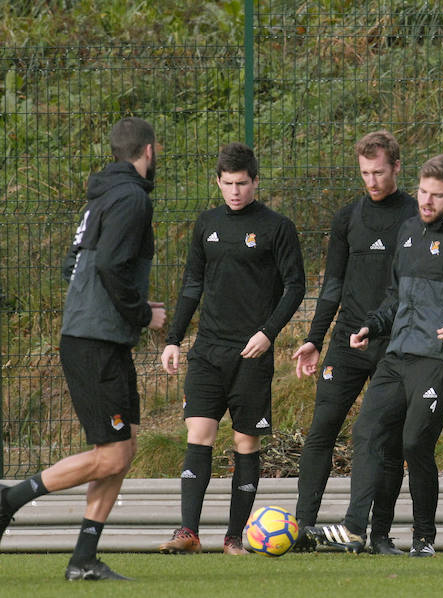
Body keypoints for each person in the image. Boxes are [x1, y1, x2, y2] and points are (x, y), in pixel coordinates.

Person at [308, 154, 443, 556]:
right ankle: (357, 530)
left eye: (437, 196)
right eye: (422, 192)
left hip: (439, 359)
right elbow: (394, 296)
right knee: (368, 433)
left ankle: (423, 538)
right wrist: (373, 325)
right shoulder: (408, 232)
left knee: (415, 443)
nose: (426, 201)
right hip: (397, 353)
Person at [0, 117, 166, 580]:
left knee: (124, 448)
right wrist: (138, 313)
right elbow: (112, 266)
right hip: (95, 343)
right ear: (149, 152)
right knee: (111, 455)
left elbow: (72, 266)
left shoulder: (103, 197)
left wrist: (111, 309)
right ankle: (9, 499)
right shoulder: (131, 198)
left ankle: (83, 559)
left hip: (101, 337)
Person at [158, 142, 305, 555]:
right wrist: (173, 338)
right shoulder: (206, 224)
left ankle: (234, 538)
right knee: (199, 433)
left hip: (251, 354)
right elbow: (191, 284)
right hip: (207, 349)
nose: (235, 191)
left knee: (245, 443)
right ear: (218, 182)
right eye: (228, 184)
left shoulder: (278, 227)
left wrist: (268, 333)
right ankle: (188, 532)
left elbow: (296, 287)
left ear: (255, 181)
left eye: (242, 183)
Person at [291, 130, 417, 555]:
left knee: (386, 440)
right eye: (365, 173)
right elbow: (332, 286)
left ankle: (378, 535)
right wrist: (314, 339)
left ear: (397, 167)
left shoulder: (415, 217)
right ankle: (303, 529)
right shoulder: (348, 218)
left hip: (393, 344)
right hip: (346, 341)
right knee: (321, 430)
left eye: (379, 172)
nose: (373, 181)